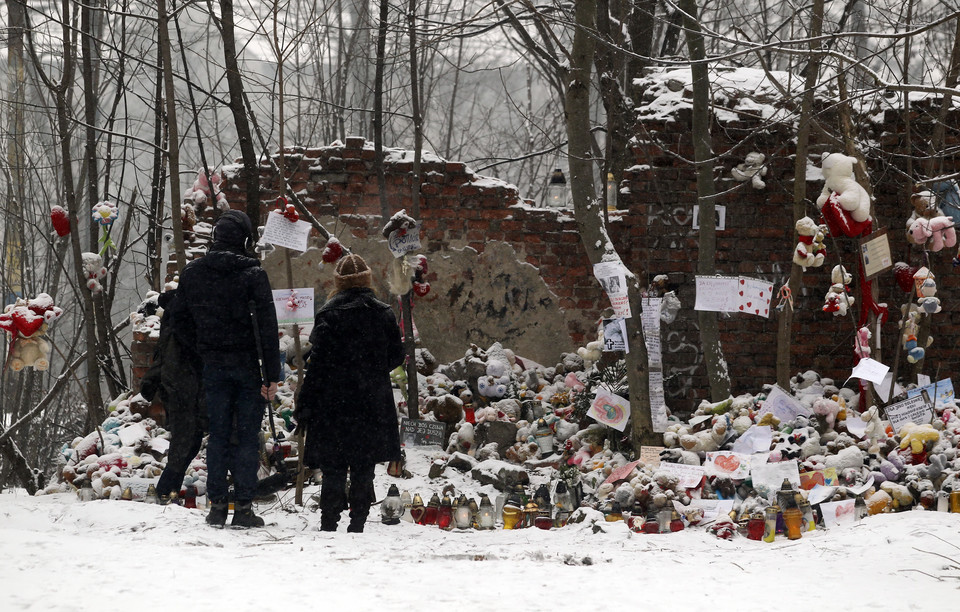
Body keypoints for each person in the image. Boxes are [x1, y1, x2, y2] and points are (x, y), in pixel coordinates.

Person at [177, 209, 281, 528]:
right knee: (247, 437)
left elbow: (180, 324)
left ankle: (218, 505)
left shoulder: (194, 274)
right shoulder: (252, 274)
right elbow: (267, 326)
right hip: (247, 367)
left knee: (219, 434)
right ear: (246, 240)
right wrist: (272, 376)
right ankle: (244, 508)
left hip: (213, 366)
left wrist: (200, 353)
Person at [296, 254, 404, 533]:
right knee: (363, 464)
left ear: (338, 284)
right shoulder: (383, 313)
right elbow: (395, 357)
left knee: (333, 465)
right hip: (371, 400)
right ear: (367, 280)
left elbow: (316, 365)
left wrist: (305, 402)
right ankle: (358, 523)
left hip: (333, 402)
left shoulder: (328, 314)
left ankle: (328, 522)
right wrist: (370, 369)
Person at [139, 288, 205, 503]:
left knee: (188, 440)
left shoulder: (177, 312)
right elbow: (170, 353)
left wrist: (152, 378)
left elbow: (163, 353)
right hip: (186, 386)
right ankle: (166, 491)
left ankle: (168, 490)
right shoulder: (186, 314)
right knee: (186, 441)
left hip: (177, 386)